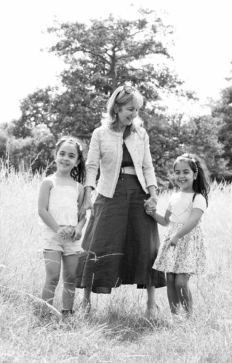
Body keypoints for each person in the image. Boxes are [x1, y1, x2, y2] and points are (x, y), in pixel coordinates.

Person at [77, 84, 166, 316]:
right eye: (129, 108)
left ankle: (150, 305)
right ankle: (85, 302)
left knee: (145, 246)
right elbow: (92, 166)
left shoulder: (141, 134)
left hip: (139, 195)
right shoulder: (100, 133)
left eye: (136, 110)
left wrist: (154, 195)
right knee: (99, 244)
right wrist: (88, 195)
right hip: (109, 194)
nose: (134, 114)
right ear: (116, 108)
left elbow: (148, 166)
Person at [146, 153, 210, 315]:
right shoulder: (174, 197)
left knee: (181, 282)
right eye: (178, 172)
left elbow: (193, 221)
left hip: (187, 242)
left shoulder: (198, 197)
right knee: (171, 280)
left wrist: (177, 236)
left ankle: (189, 316)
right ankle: (175, 316)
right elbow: (166, 221)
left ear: (195, 175)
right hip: (172, 243)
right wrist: (152, 213)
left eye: (186, 172)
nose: (181, 176)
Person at [38, 136, 87, 317]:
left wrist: (79, 228)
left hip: (72, 239)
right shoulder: (48, 182)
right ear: (56, 155)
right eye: (62, 154)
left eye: (71, 156)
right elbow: (42, 210)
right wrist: (58, 228)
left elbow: (83, 216)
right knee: (52, 276)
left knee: (71, 278)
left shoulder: (79, 188)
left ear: (77, 161)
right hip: (52, 235)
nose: (66, 158)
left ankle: (67, 313)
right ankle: (45, 313)